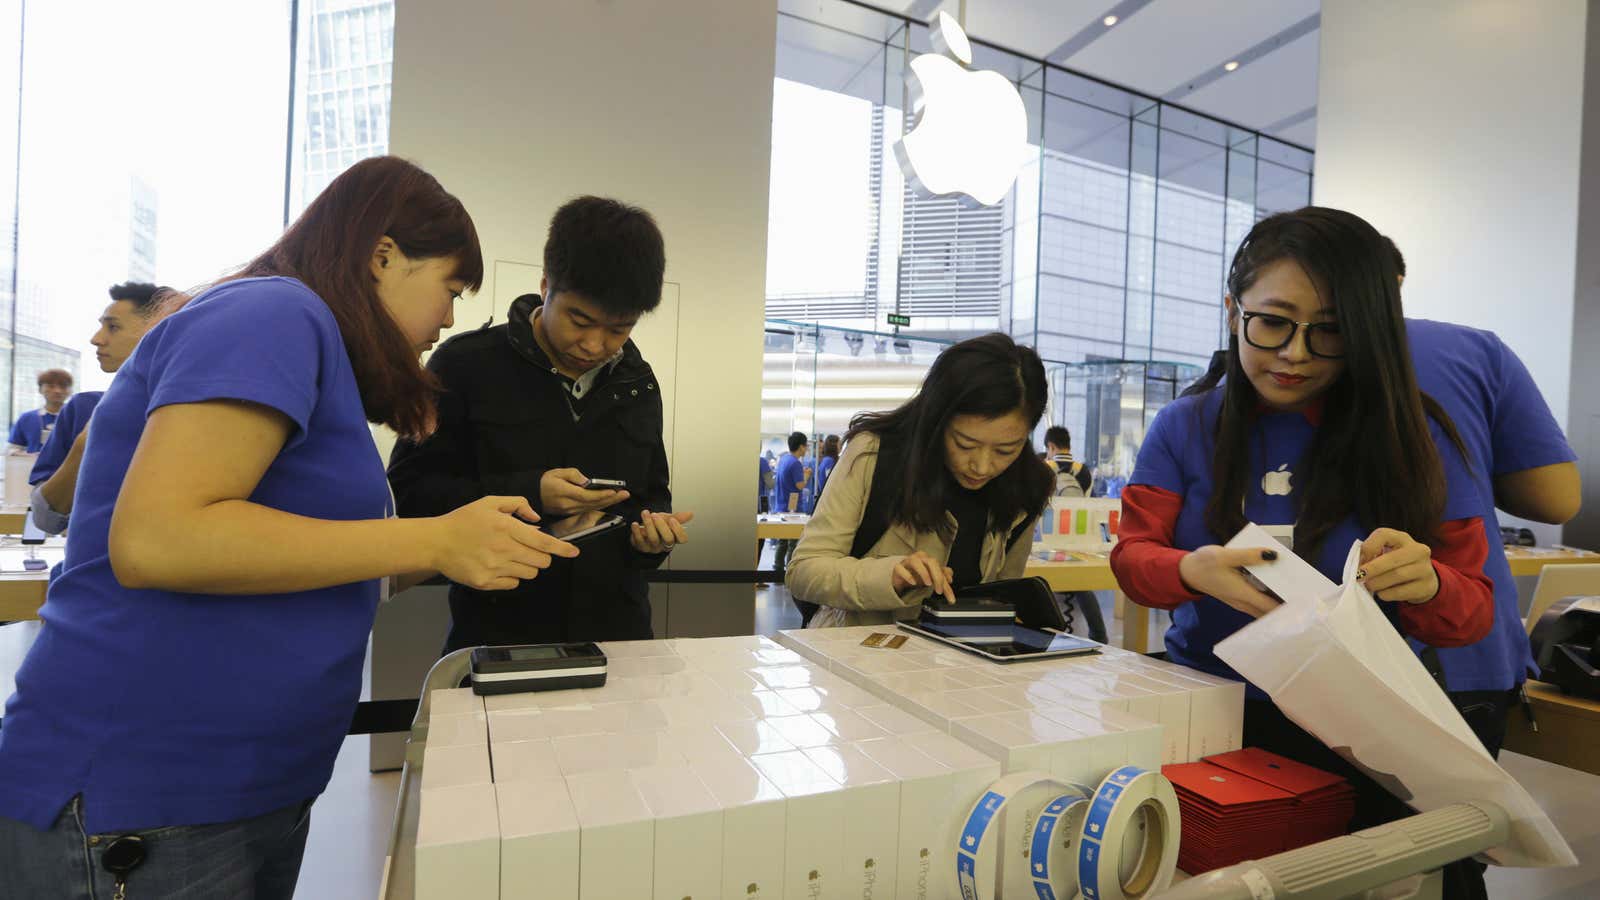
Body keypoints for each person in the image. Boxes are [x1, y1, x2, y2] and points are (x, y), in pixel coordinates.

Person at [0, 156, 578, 900]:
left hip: (237, 792)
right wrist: (431, 538)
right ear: (382, 256)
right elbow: (160, 540)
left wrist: (481, 541)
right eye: (451, 288)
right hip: (149, 795)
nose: (450, 318)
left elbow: (306, 559)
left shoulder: (307, 347)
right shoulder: (272, 313)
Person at [1111, 207, 1498, 899]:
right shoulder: (1184, 425)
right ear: (1232, 310)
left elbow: (1473, 613)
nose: (1295, 354)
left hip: (1365, 729)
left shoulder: (1416, 435)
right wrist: (1188, 570)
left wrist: (1430, 585)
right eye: (1273, 322)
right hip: (1216, 716)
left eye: (1331, 332)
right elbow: (1134, 558)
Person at [388, 195, 689, 651]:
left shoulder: (637, 382)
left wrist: (651, 540)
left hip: (620, 640)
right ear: (546, 285)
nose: (594, 344)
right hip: (500, 635)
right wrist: (532, 492)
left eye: (619, 329)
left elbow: (650, 497)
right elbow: (410, 498)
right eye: (579, 320)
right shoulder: (465, 366)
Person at [788, 333, 1053, 628]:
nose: (982, 466)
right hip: (856, 655)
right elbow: (804, 571)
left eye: (1006, 450)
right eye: (965, 444)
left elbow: (1003, 596)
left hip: (956, 666)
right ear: (936, 418)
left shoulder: (1028, 486)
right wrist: (891, 575)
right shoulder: (874, 454)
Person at [30, 286, 189, 534]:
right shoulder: (83, 409)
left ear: (158, 331)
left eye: (113, 327)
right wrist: (86, 442)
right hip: (87, 567)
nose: (97, 338)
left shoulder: (193, 412)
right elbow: (45, 520)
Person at [769, 431, 809, 574]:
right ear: (801, 447)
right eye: (806, 446)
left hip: (781, 505)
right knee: (793, 541)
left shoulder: (784, 459)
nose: (807, 449)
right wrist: (807, 476)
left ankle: (778, 568)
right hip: (792, 509)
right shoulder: (796, 464)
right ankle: (790, 572)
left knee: (782, 541)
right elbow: (799, 485)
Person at [8, 369, 72, 453]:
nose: (57, 391)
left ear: (70, 391)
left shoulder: (76, 418)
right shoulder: (26, 418)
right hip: (30, 465)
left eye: (63, 386)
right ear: (40, 389)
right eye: (51, 386)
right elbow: (13, 448)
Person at [1042, 425, 1091, 497]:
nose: (1047, 455)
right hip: (1077, 508)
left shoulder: (1043, 468)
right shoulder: (1084, 471)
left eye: (1047, 449)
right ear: (1069, 446)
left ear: (1051, 446)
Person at [813, 434, 840, 506]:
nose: (840, 446)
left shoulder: (827, 460)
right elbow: (829, 480)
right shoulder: (829, 461)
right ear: (833, 445)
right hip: (828, 498)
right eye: (839, 443)